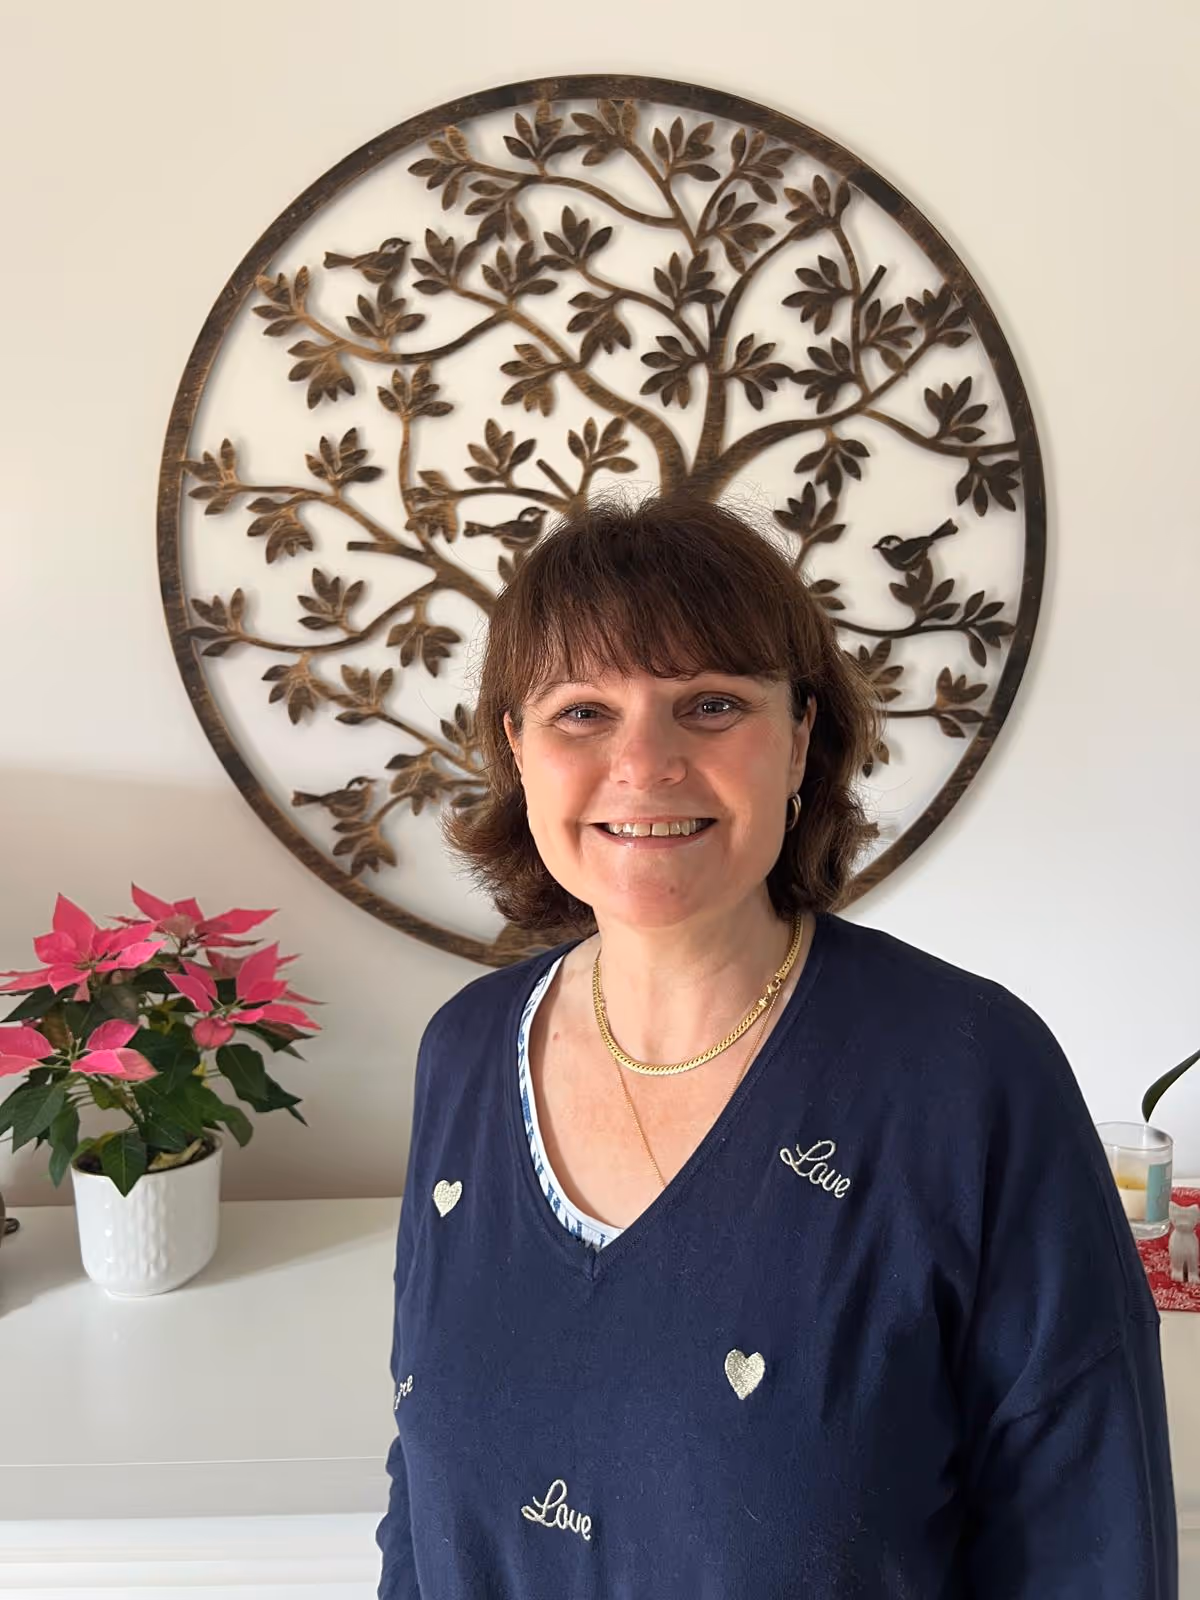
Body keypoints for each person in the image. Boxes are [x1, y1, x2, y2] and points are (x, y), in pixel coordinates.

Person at [375, 494, 1177, 1598]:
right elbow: (419, 1501)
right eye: (581, 713)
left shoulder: (971, 1076)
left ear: (801, 736)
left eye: (709, 703)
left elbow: (1085, 1541)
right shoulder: (462, 1054)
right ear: (516, 748)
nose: (644, 762)